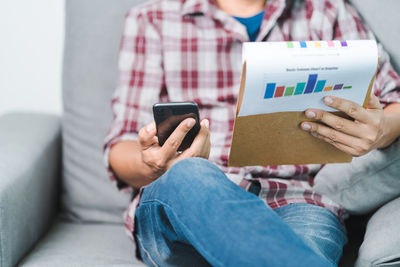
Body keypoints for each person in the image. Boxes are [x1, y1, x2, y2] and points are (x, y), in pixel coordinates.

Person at [103, 0, 400, 266]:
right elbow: (121, 145)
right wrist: (151, 163)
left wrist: (382, 128)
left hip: (299, 201)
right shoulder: (152, 18)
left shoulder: (327, 11)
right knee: (189, 171)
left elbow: (393, 99)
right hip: (191, 199)